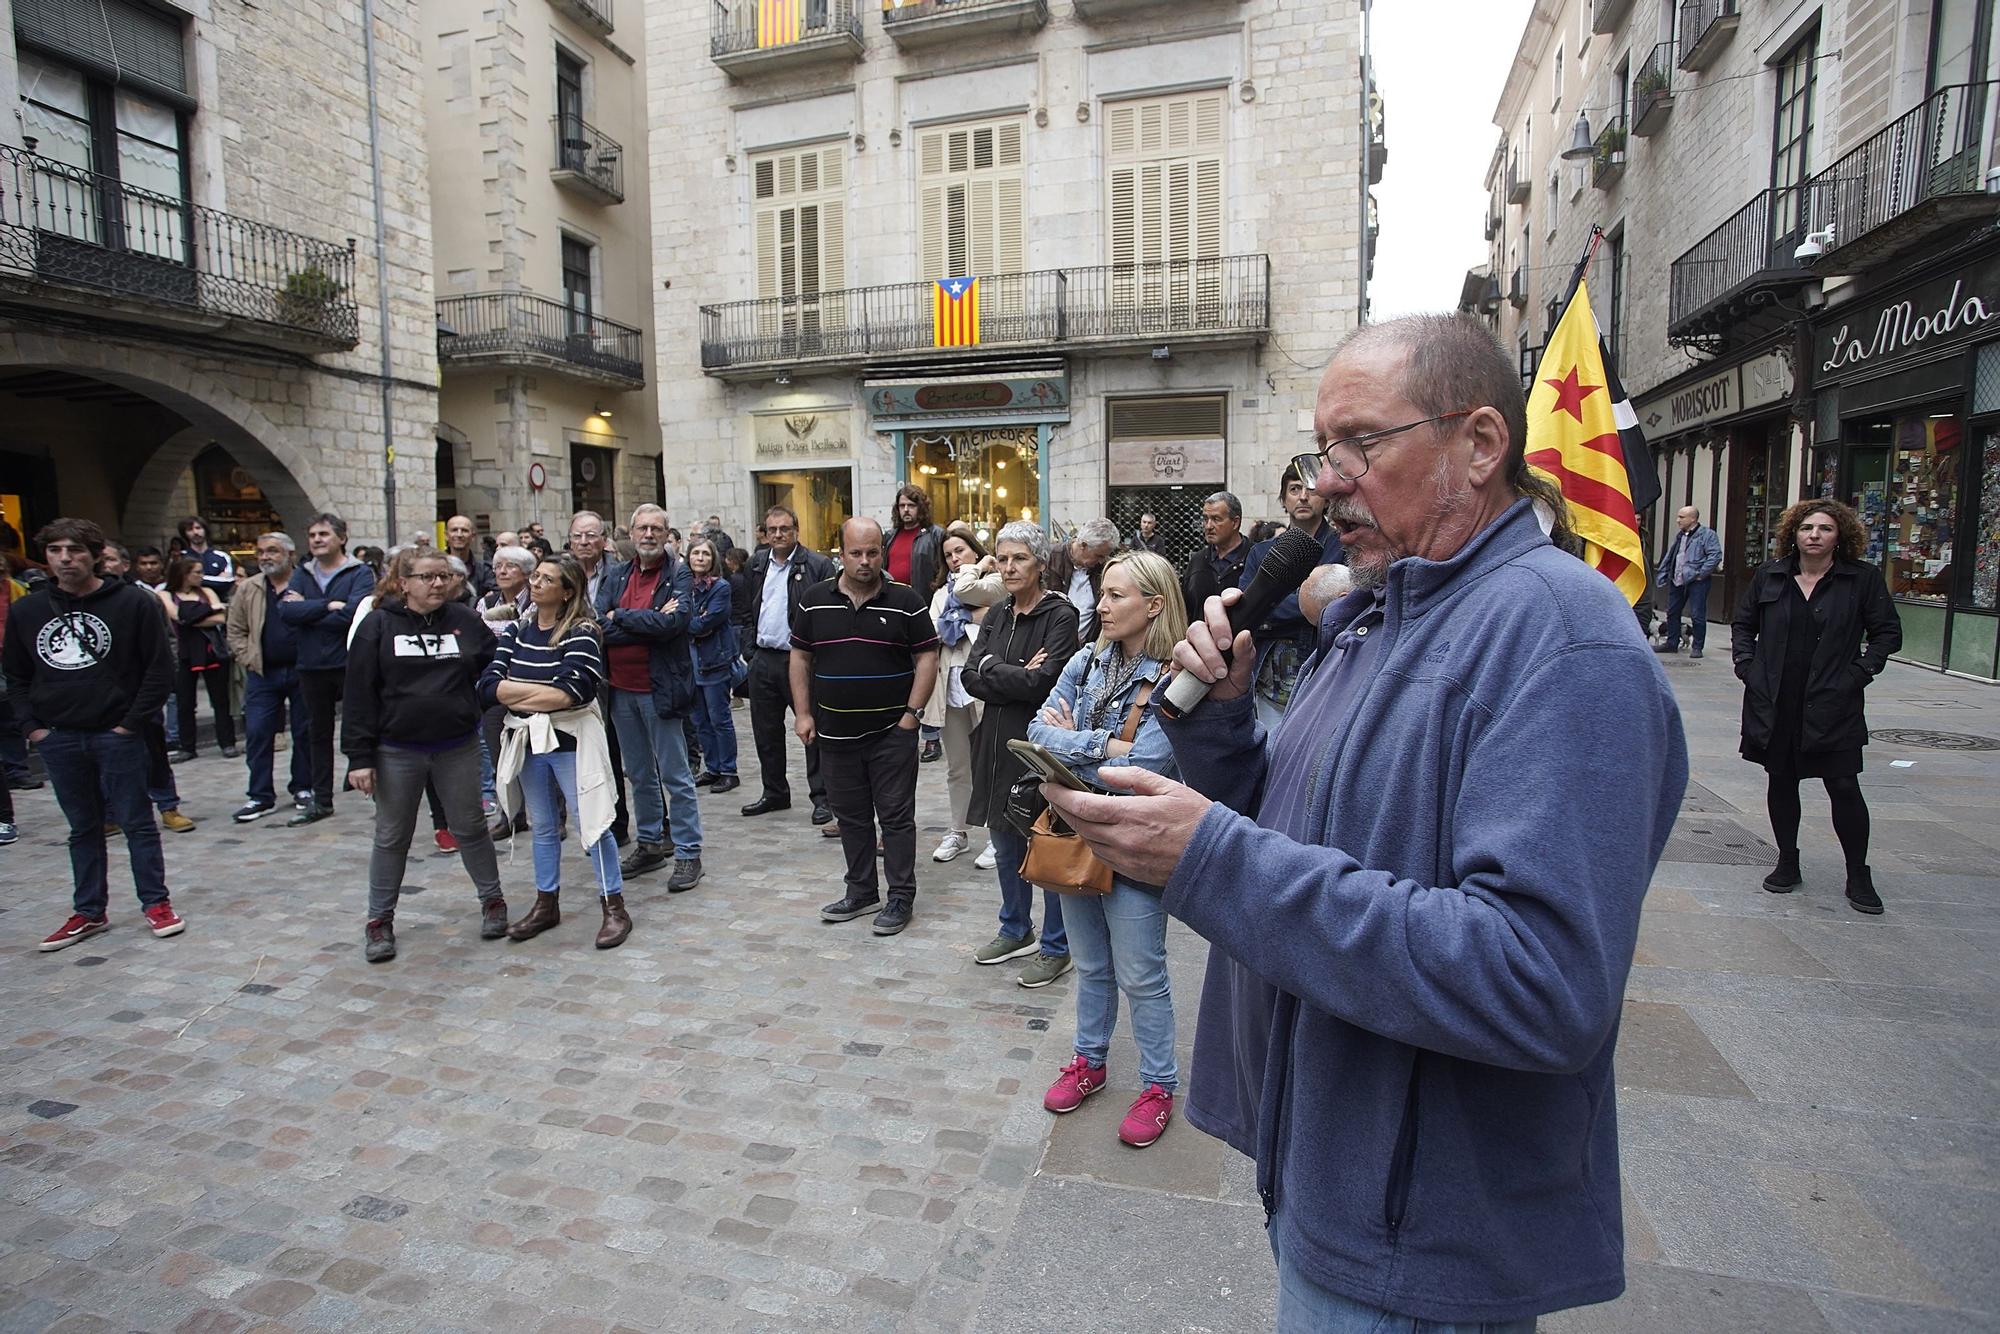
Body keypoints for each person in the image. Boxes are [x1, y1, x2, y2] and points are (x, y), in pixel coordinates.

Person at [1040, 315, 1687, 1329]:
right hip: (1332, 1179)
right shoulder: (1383, 615)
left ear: (1477, 445)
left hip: (1420, 1239)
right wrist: (1217, 734)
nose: (1325, 481)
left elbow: (1540, 977)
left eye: (1359, 444)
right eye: (1319, 449)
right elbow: (1305, 832)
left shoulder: (1560, 638)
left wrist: (1208, 856)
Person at [1027, 550, 1187, 1147]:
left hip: (1137, 841)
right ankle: (1089, 1061)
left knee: (1142, 972)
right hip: (1075, 832)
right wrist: (1104, 746)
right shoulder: (1085, 661)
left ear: (1154, 605)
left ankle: (1158, 1086)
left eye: (1116, 595)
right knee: (1092, 965)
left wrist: (1075, 743)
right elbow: (1038, 732)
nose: (1101, 604)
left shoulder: (1175, 674)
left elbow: (1149, 763)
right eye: (1103, 592)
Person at [4, 518, 185, 952]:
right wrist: (34, 728)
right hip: (60, 736)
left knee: (137, 822)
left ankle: (155, 903)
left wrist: (130, 723)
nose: (65, 559)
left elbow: (159, 668)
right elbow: (16, 672)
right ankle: (89, 910)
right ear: (45, 556)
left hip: (116, 733)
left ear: (94, 555)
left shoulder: (132, 604)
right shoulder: (28, 610)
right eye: (55, 551)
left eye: (75, 550)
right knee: (83, 827)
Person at [1733, 498, 1901, 914]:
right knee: (1782, 780)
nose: (1814, 535)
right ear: (1794, 532)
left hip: (1832, 701)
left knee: (1843, 785)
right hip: (1775, 698)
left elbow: (1887, 634)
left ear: (1839, 535)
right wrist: (1747, 667)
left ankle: (1858, 873)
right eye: (1807, 528)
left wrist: (1858, 674)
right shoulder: (1770, 575)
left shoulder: (1860, 579)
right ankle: (1787, 859)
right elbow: (1744, 624)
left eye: (1824, 529)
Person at [342, 549, 504, 963]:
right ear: (404, 583)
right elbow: (358, 694)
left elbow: (495, 663)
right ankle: (379, 922)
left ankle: (492, 901)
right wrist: (359, 757)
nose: (438, 584)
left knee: (470, 826)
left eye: (444, 576)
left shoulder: (465, 621)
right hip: (397, 750)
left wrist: (480, 701)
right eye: (427, 577)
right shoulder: (377, 626)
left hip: (457, 745)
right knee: (392, 836)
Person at [792, 518, 938, 936]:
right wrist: (803, 714)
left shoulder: (906, 601)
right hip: (834, 734)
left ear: (883, 553)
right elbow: (800, 657)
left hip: (892, 732)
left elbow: (926, 656)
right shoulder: (814, 600)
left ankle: (899, 896)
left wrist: (912, 715)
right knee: (852, 818)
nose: (865, 561)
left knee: (895, 817)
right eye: (856, 552)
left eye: (873, 552)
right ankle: (860, 891)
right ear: (840, 552)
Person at [486, 554, 630, 948]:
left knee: (593, 822)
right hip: (528, 741)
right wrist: (542, 695)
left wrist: (516, 691)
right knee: (544, 825)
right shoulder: (517, 630)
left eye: (547, 579)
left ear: (567, 592)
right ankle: (546, 902)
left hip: (571, 742)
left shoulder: (582, 631)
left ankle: (613, 905)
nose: (535, 583)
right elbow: (488, 685)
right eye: (535, 576)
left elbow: (576, 690)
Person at [962, 521, 1081, 988]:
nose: (1009, 568)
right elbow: (970, 676)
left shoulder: (1059, 616)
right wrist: (1004, 670)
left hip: (1034, 744)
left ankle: (1057, 945)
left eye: (1020, 559)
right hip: (992, 741)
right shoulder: (996, 614)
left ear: (1040, 563)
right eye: (1003, 558)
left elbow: (1045, 682)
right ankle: (1015, 928)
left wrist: (997, 670)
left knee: (1042, 841)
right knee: (1004, 838)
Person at [599, 504, 704, 891]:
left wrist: (620, 616)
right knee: (639, 774)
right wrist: (646, 620)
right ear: (630, 532)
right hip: (621, 690)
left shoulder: (678, 574)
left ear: (665, 533)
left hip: (660, 689)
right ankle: (648, 844)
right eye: (641, 528)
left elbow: (674, 624)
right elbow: (597, 625)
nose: (648, 534)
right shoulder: (615, 574)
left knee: (676, 776)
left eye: (655, 529)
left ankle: (689, 853)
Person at [276, 513, 371, 826]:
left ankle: (373, 785)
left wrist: (310, 609)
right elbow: (286, 611)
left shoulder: (359, 572)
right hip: (311, 664)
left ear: (341, 538)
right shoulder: (302, 573)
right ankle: (321, 798)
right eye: (312, 534)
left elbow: (354, 614)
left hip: (349, 662)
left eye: (323, 534)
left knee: (363, 726)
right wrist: (328, 605)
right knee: (315, 732)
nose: (316, 539)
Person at [742, 506, 836, 822]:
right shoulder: (756, 564)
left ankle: (823, 797)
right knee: (765, 731)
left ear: (796, 529)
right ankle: (774, 792)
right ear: (764, 533)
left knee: (812, 730)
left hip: (801, 660)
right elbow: (744, 610)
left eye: (784, 529)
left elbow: (828, 612)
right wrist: (749, 650)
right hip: (763, 658)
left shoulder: (817, 565)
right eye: (772, 530)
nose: (778, 535)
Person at [1240, 461, 1343, 725]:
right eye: (1295, 489)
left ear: (1325, 497)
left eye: (1311, 489)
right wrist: (1308, 602)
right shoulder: (1261, 552)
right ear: (1284, 499)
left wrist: (1271, 609)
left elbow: (1339, 607)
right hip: (1269, 683)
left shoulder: (1342, 548)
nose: (1304, 497)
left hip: (1327, 675)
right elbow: (1247, 610)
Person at [925, 527, 1006, 863]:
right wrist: (969, 617)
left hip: (983, 685)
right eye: (948, 555)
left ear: (975, 551)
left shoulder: (994, 584)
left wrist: (962, 617)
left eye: (960, 550)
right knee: (958, 766)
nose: (954, 558)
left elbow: (993, 621)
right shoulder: (941, 594)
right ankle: (958, 831)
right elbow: (934, 630)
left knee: (991, 763)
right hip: (950, 686)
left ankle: (996, 836)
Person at [224, 533, 314, 822]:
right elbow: (235, 629)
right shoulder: (249, 588)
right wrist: (247, 657)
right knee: (259, 732)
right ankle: (260, 795)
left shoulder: (307, 583)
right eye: (260, 551)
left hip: (303, 671)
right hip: (263, 672)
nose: (265, 556)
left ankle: (303, 786)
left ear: (290, 554)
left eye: (272, 551)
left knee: (304, 732)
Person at [160, 555, 237, 761]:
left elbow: (222, 618)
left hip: (211, 650)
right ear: (184, 574)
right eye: (197, 572)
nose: (202, 576)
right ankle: (187, 746)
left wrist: (193, 615)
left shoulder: (207, 591)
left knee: (220, 700)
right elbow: (177, 616)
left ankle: (227, 742)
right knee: (185, 702)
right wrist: (210, 609)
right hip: (184, 653)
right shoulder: (166, 594)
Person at [684, 537, 741, 794]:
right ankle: (713, 767)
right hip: (689, 662)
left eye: (705, 554)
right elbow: (671, 617)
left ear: (713, 559)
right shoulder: (682, 587)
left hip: (714, 661)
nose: (700, 558)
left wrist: (684, 621)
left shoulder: (721, 588)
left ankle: (729, 771)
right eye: (696, 553)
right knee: (700, 720)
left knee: (720, 718)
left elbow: (705, 623)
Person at [1655, 504, 1723, 659]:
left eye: (1681, 517)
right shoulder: (1680, 535)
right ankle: (1672, 643)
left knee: (1697, 614)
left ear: (1693, 519)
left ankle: (1697, 646)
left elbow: (1715, 555)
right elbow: (1674, 555)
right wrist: (1665, 572)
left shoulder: (1707, 535)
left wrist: (1701, 573)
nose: (1677, 520)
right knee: (1672, 611)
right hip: (1677, 579)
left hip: (1696, 580)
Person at [1044, 518, 1118, 642]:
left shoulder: (1103, 569)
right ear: (1083, 545)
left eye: (1104, 556)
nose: (1101, 561)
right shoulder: (1052, 559)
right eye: (1098, 555)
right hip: (1051, 644)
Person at [1182, 490, 1250, 615]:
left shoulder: (1255, 558)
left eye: (1216, 519)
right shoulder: (1197, 561)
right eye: (1205, 519)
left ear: (1235, 522)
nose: (1208, 526)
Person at [177, 515, 235, 601]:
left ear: (205, 530)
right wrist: (216, 579)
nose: (195, 532)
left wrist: (193, 578)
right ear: (185, 534)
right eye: (190, 529)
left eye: (198, 528)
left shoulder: (222, 557)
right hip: (190, 605)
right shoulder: (180, 557)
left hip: (219, 603)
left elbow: (226, 582)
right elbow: (178, 583)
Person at [445, 514, 495, 600]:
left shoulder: (486, 570)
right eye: (454, 530)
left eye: (464, 530)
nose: (459, 535)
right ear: (446, 535)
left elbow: (492, 598)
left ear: (473, 536)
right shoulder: (436, 569)